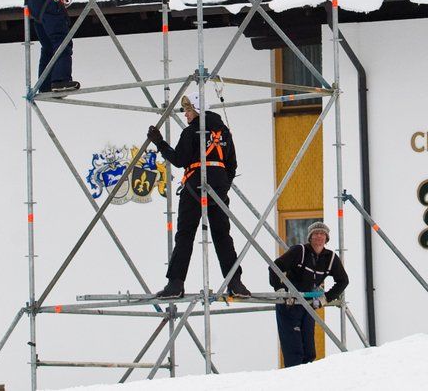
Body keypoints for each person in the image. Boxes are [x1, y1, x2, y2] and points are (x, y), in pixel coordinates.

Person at [147, 93, 249, 298]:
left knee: (185, 235)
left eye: (188, 110)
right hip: (218, 188)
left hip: (194, 187)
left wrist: (160, 143)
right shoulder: (224, 133)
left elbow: (179, 159)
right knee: (222, 235)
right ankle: (235, 283)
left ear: (197, 109)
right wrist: (222, 184)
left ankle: (176, 284)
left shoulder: (191, 131)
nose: (186, 115)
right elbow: (232, 164)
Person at [269, 222, 349, 367]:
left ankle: (308, 379)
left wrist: (325, 298)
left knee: (309, 353)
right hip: (290, 305)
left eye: (322, 234)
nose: (319, 236)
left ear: (327, 238)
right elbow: (274, 267)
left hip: (308, 306)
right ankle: (293, 379)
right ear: (310, 237)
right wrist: (279, 290)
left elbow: (343, 280)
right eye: (316, 233)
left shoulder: (330, 258)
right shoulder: (299, 251)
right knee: (295, 353)